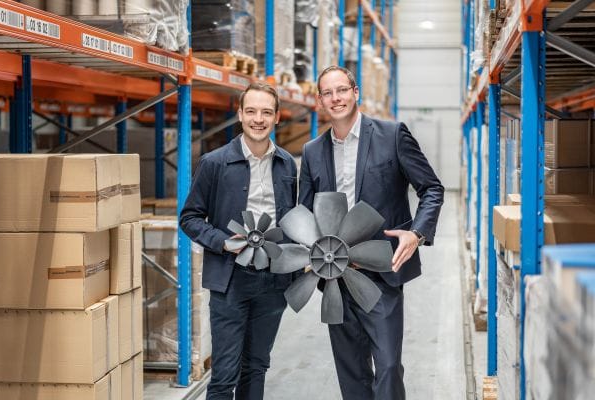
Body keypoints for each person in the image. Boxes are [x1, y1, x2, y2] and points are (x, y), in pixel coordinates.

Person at [298, 66, 444, 400]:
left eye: (342, 90)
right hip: (335, 277)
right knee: (352, 372)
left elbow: (432, 188)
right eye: (327, 93)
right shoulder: (312, 151)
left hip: (382, 271)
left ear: (356, 92)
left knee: (388, 366)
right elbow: (304, 213)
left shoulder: (392, 135)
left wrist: (417, 233)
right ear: (319, 100)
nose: (336, 98)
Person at [180, 82, 298, 400]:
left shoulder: (287, 164)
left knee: (256, 367)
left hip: (273, 279)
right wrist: (222, 242)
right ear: (240, 114)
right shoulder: (215, 163)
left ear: (277, 117)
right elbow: (190, 218)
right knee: (224, 375)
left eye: (266, 112)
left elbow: (294, 218)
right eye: (251, 111)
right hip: (230, 278)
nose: (258, 119)